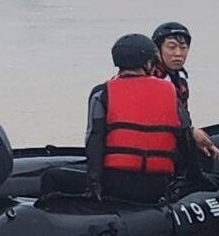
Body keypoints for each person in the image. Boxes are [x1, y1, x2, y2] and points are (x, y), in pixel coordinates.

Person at [84, 33, 198, 204]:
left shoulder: (101, 93)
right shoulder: (170, 91)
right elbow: (185, 139)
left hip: (115, 184)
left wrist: (94, 184)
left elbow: (94, 139)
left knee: (53, 177)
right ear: (148, 63)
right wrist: (198, 176)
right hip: (157, 184)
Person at [151, 20, 219, 163]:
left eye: (183, 48)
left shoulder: (180, 78)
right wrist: (191, 133)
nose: (178, 53)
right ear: (157, 50)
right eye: (171, 47)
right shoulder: (153, 78)